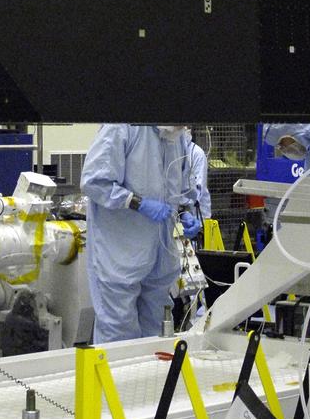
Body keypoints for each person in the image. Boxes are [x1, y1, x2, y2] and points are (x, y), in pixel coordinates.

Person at [81, 124, 199, 342]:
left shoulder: (176, 135)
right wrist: (137, 203)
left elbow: (179, 186)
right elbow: (95, 182)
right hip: (119, 254)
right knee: (119, 332)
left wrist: (184, 211)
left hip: (160, 256)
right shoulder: (122, 127)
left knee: (158, 329)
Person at [182, 128, 212, 222]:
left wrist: (181, 208)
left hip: (198, 214)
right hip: (179, 213)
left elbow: (199, 189)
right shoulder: (171, 152)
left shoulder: (197, 153)